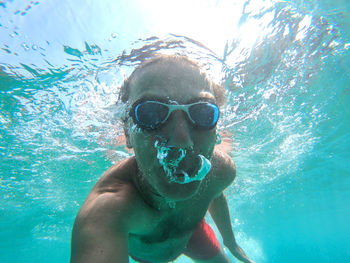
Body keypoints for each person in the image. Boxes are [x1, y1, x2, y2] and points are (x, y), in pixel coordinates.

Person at [70, 55, 255, 263]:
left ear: (215, 130)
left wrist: (230, 242)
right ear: (128, 133)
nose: (182, 141)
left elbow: (215, 195)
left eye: (202, 113)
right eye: (150, 114)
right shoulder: (110, 210)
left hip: (194, 235)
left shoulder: (221, 171)